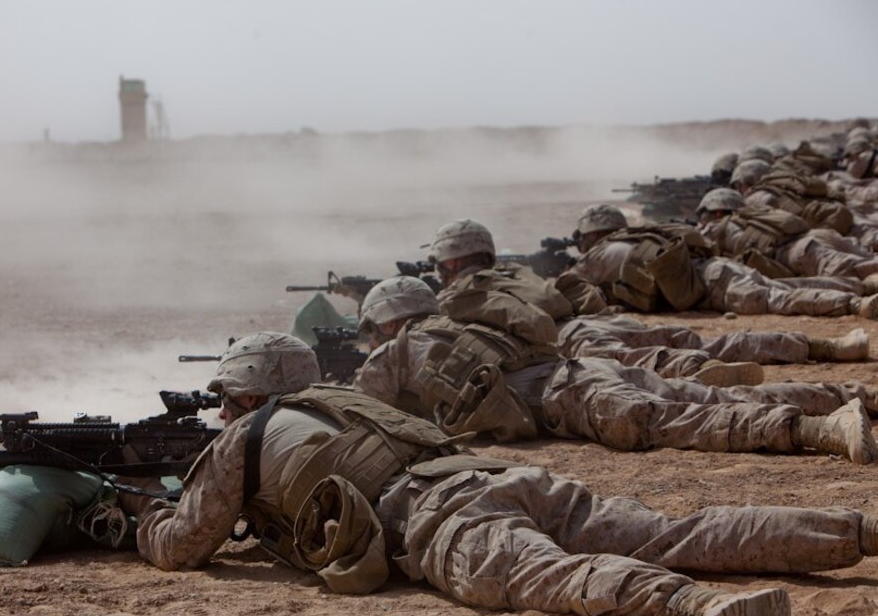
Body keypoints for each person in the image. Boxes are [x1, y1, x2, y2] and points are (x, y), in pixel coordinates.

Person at [130, 332, 878, 616]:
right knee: (676, 528)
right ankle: (859, 530)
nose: (223, 411)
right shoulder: (346, 401)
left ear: (249, 393)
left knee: (550, 578)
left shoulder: (244, 437)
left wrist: (139, 516)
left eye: (228, 399)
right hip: (495, 478)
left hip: (435, 518)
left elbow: (183, 545)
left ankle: (692, 608)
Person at [353, 222, 878, 462]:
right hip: (579, 369)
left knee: (675, 420)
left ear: (387, 323)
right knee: (711, 396)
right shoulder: (461, 318)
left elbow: (358, 413)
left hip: (564, 394)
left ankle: (822, 429)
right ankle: (856, 393)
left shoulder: (398, 349)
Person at [569, 204, 878, 318]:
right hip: (717, 269)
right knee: (787, 286)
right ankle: (861, 287)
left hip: (715, 283)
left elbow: (565, 288)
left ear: (592, 235)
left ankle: (853, 304)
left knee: (780, 298)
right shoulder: (642, 235)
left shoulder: (599, 254)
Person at [695, 188, 878, 281]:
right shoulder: (755, 214)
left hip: (799, 250)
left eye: (703, 215)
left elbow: (695, 244)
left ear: (717, 212)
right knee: (869, 261)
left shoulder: (716, 227)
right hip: (820, 235)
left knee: (854, 270)